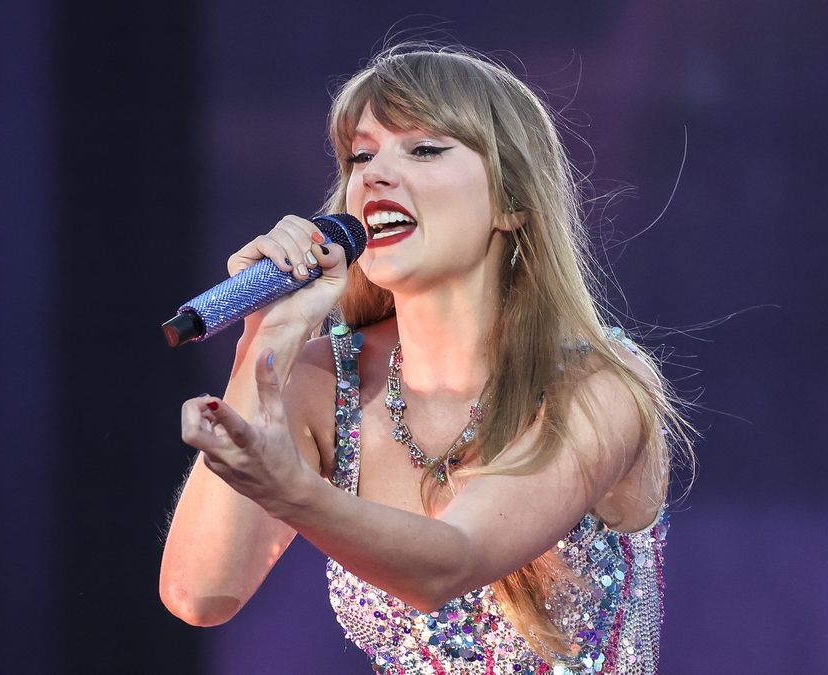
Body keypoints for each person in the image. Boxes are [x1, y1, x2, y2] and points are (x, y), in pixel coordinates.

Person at [161, 44, 692, 674]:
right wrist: (265, 342)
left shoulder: (596, 387)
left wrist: (295, 492)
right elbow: (200, 595)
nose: (375, 175)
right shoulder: (324, 381)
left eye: (424, 149)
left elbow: (451, 563)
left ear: (510, 203)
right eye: (362, 155)